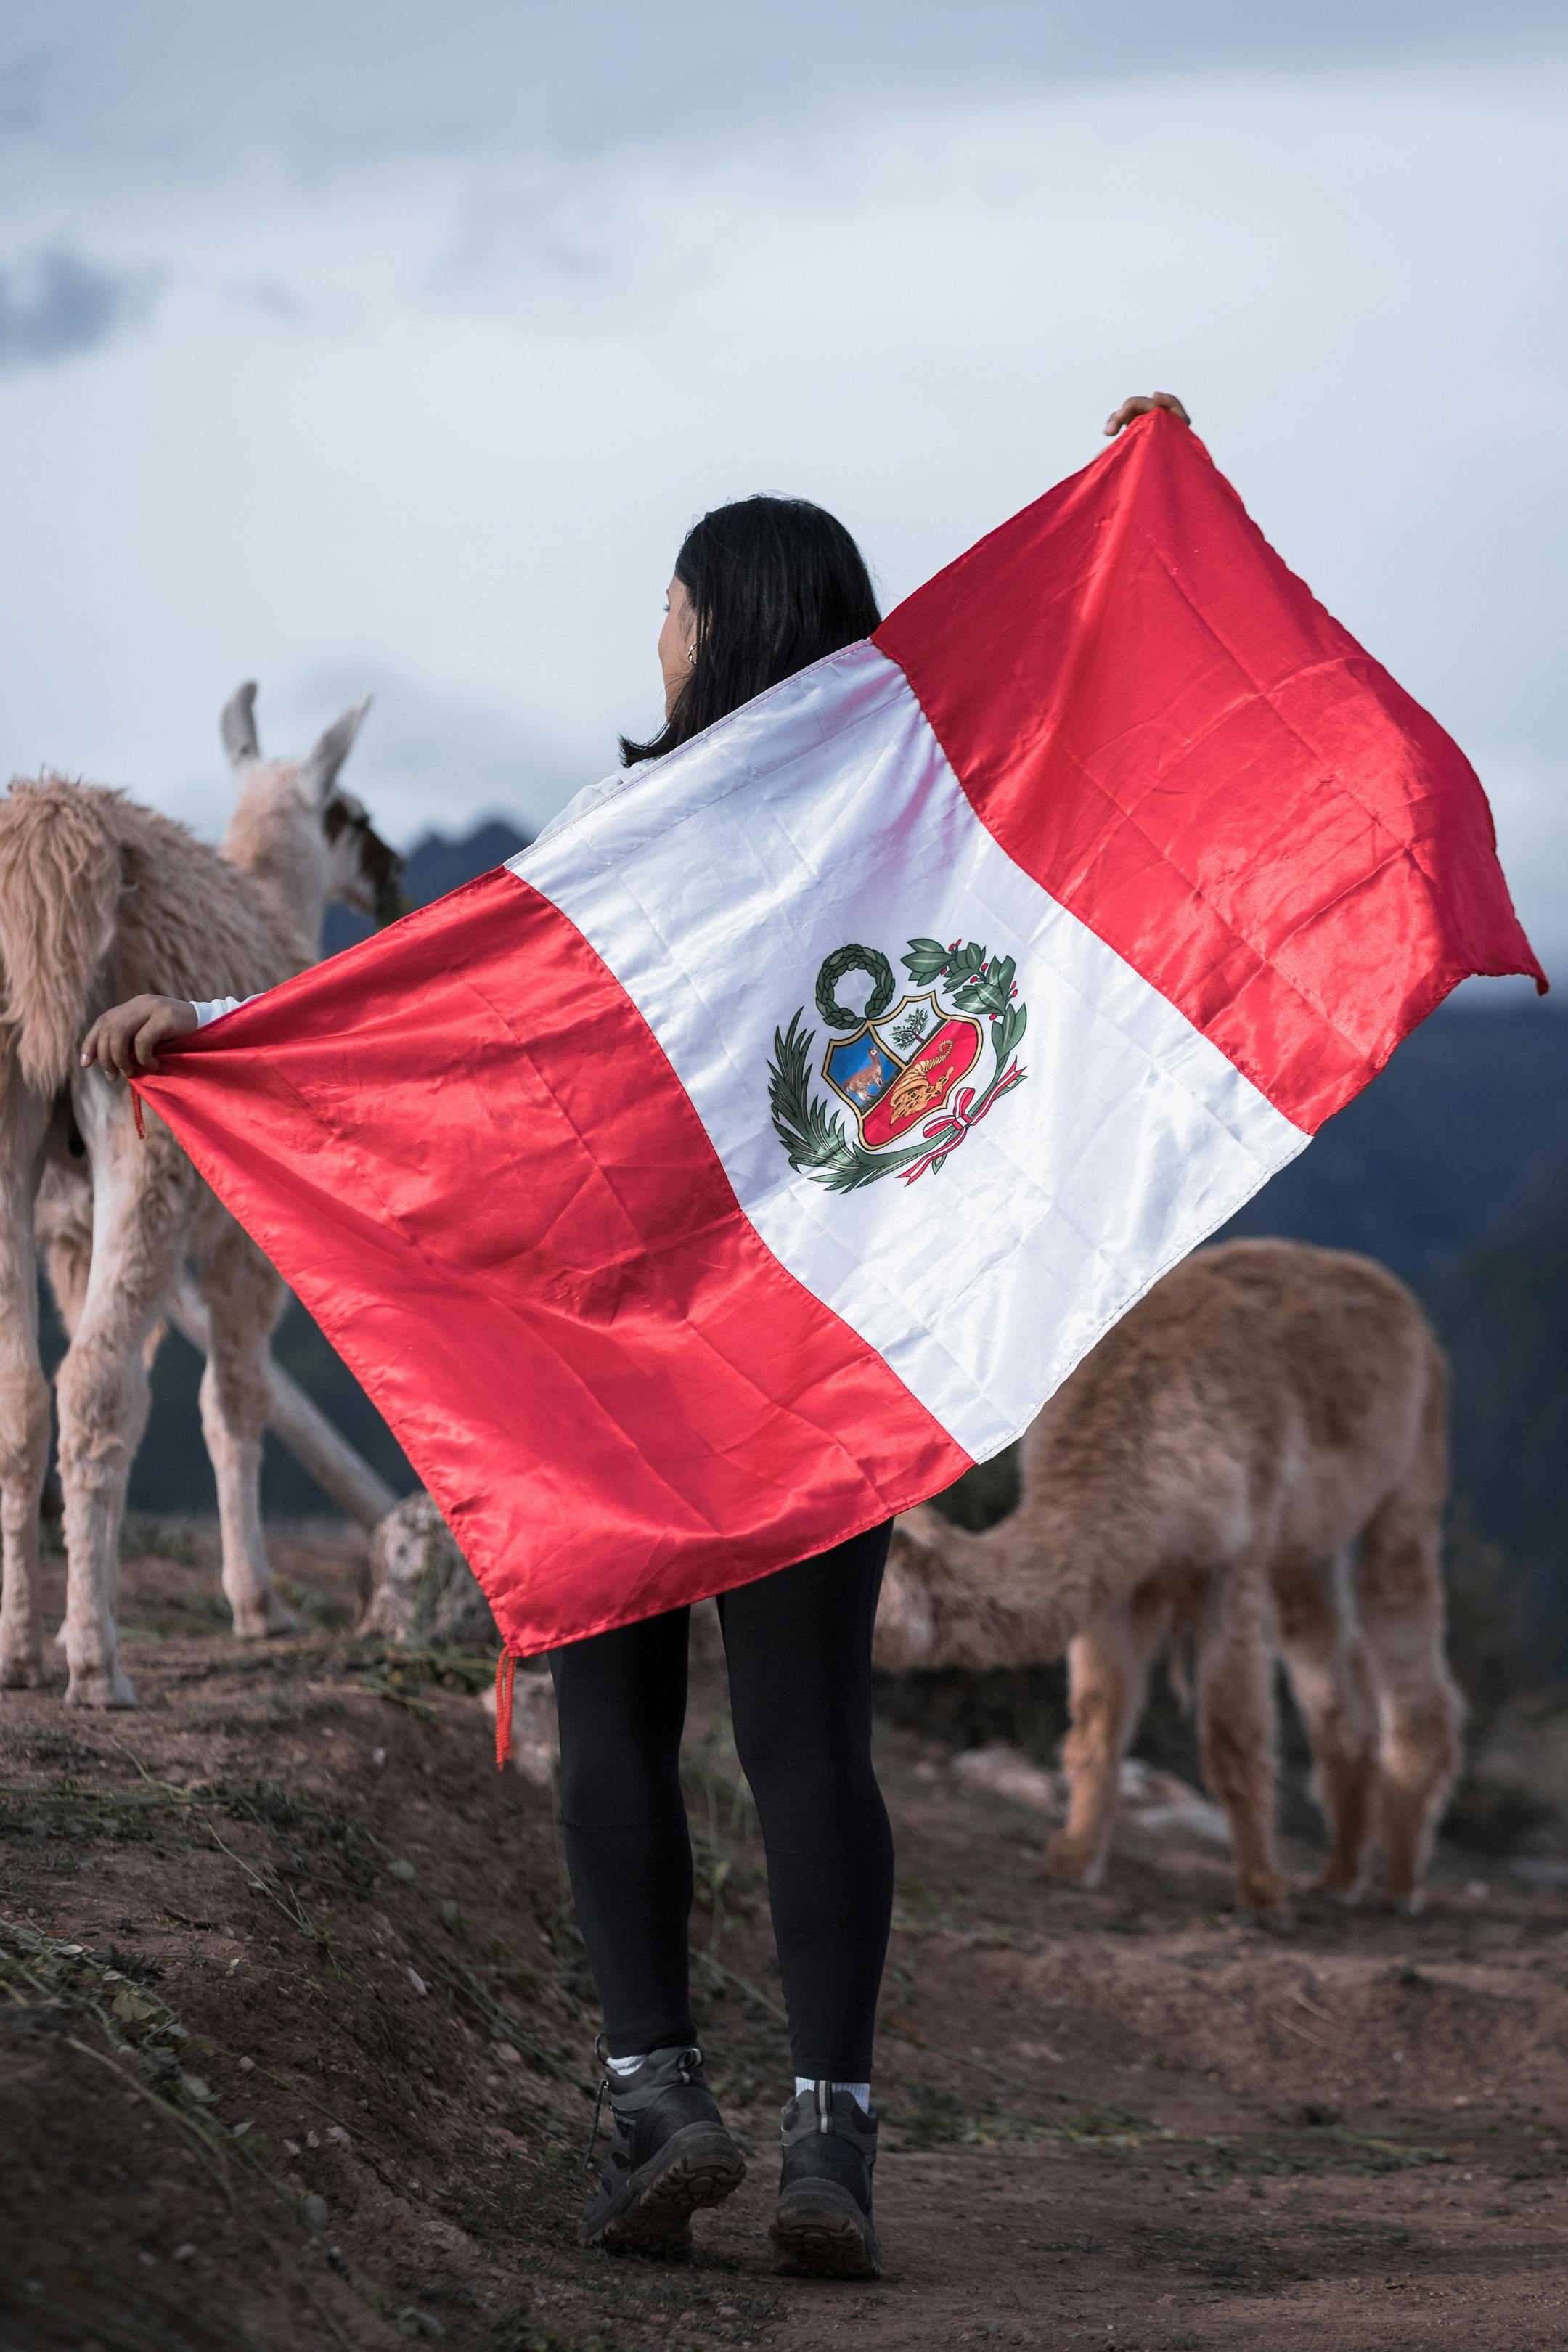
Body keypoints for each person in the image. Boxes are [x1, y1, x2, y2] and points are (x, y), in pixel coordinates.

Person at [81, 388, 1191, 2279]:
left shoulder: (630, 831)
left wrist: (223, 1040)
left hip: (603, 1364)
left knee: (616, 1714)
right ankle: (830, 2142)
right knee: (807, 1742)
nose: (651, 633)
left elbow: (452, 1026)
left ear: (716, 623)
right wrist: (1126, 528)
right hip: (816, 1364)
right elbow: (1116, 785)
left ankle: (653, 2099)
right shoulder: (920, 819)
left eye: (669, 606)